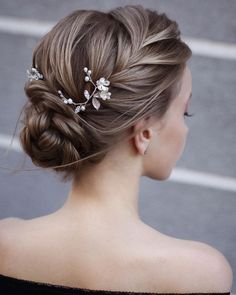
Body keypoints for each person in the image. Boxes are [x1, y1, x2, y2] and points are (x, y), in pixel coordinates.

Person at [0, 4, 233, 295]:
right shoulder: (200, 274)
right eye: (184, 113)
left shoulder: (5, 244)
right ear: (144, 133)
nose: (185, 129)